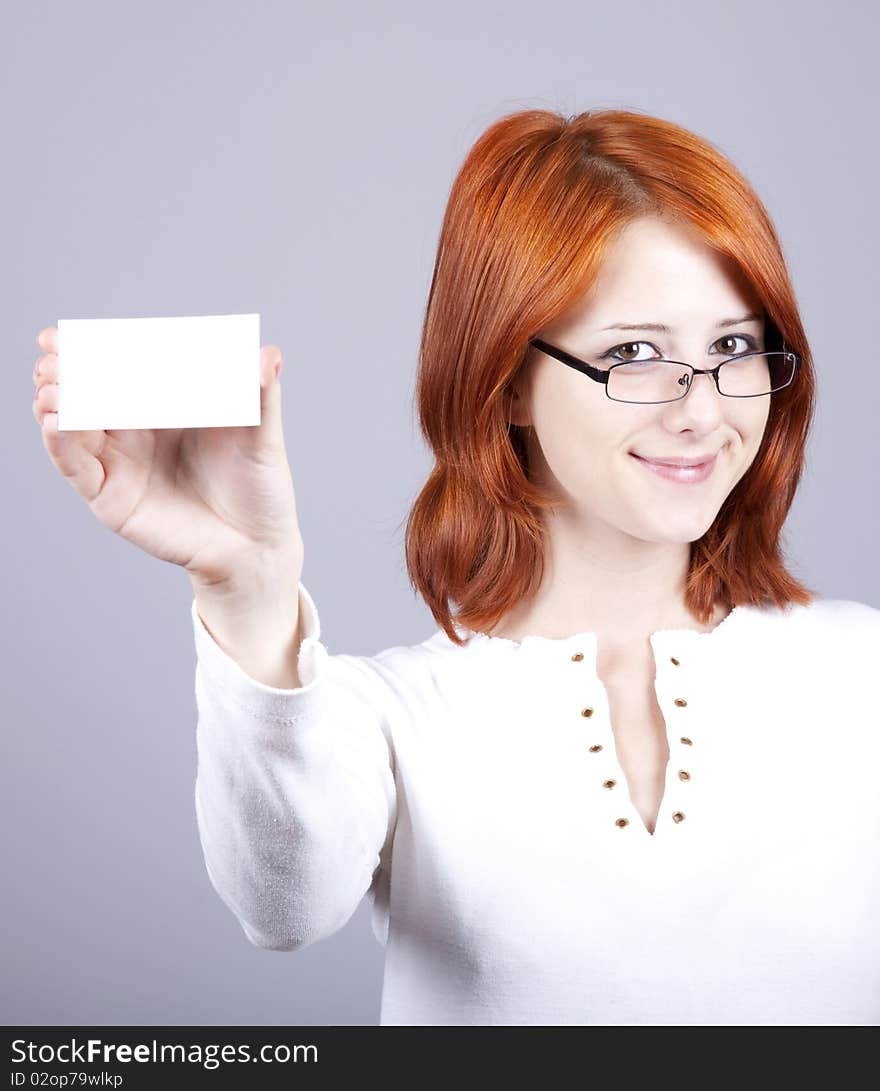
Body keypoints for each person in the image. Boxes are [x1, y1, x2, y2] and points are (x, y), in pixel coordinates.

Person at [33, 107, 880, 1026]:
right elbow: (284, 908)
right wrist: (247, 582)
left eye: (731, 347)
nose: (700, 410)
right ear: (508, 379)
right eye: (634, 353)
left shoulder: (860, 670)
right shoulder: (389, 718)